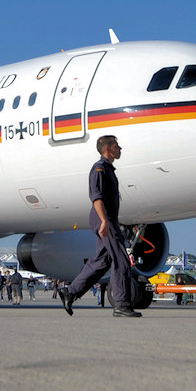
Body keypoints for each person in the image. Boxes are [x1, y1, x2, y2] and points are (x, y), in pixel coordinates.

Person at [58, 135, 141, 318]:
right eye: (117, 146)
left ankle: (70, 292)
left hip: (108, 219)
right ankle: (121, 304)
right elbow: (96, 197)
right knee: (121, 261)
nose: (120, 149)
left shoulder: (109, 169)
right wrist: (104, 221)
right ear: (108, 149)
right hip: (105, 219)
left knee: (103, 261)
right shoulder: (99, 169)